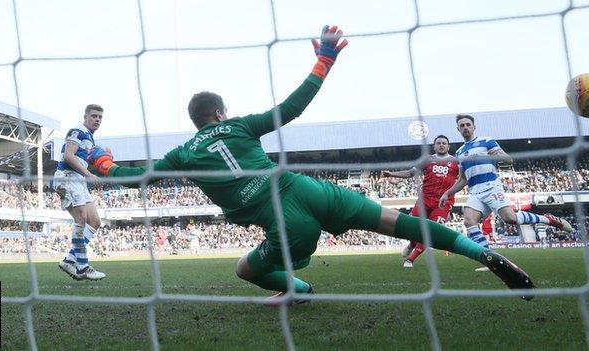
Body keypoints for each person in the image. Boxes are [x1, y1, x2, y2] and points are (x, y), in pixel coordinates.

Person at [87, 26, 535, 302]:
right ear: (221, 113)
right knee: (396, 222)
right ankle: (481, 252)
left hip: (286, 223)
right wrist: (324, 60)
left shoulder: (182, 154)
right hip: (308, 189)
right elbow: (292, 107)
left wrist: (104, 165)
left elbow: (137, 179)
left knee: (245, 269)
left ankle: (297, 289)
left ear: (196, 121)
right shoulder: (241, 126)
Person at [439, 114, 573, 256]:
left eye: (468, 124)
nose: (465, 127)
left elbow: (508, 160)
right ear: (458, 129)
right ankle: (490, 257)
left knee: (510, 218)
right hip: (475, 192)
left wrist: (495, 156)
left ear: (474, 127)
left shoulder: (487, 141)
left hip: (491, 187)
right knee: (469, 221)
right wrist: (448, 193)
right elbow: (462, 179)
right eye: (462, 126)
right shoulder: (459, 152)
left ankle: (547, 219)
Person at [381, 135, 459, 268]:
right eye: (438, 143)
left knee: (431, 231)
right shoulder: (428, 159)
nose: (441, 145)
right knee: (412, 226)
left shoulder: (456, 161)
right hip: (425, 199)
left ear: (448, 146)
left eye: (444, 143)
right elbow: (410, 173)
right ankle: (412, 244)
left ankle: (410, 260)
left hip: (443, 202)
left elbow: (463, 178)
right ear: (434, 146)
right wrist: (391, 174)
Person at [53, 104, 106, 280]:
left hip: (78, 180)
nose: (97, 119)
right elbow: (69, 155)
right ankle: (82, 267)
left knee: (95, 221)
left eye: (100, 117)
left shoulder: (90, 138)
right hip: (67, 177)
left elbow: (83, 159)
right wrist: (90, 174)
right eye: (94, 116)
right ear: (85, 117)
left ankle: (70, 259)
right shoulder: (77, 130)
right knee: (81, 218)